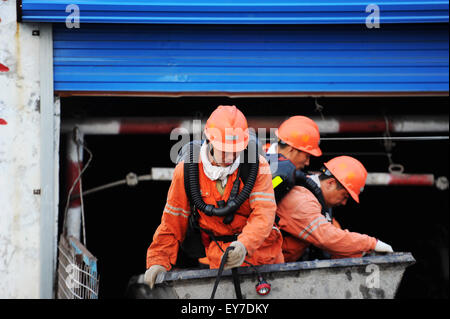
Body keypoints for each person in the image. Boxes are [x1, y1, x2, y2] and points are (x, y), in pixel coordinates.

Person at [144, 105, 283, 289]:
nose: (230, 156)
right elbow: (172, 221)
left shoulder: (257, 166)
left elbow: (264, 213)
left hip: (264, 258)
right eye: (224, 149)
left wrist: (244, 245)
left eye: (235, 150)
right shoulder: (187, 171)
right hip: (221, 260)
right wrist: (158, 261)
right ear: (209, 139)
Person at [276, 155, 394, 262]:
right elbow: (327, 237)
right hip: (264, 271)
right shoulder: (302, 200)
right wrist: (371, 244)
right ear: (330, 183)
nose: (344, 203)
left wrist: (362, 253)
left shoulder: (319, 204)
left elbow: (337, 239)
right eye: (345, 196)